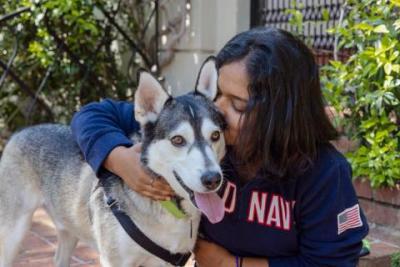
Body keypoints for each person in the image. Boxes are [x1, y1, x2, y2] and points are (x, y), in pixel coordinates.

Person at [71, 27, 369, 266]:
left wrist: (234, 264)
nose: (218, 112)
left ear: (281, 115)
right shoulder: (201, 117)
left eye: (238, 104)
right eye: (218, 94)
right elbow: (92, 115)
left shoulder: (324, 174)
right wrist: (119, 159)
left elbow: (333, 262)